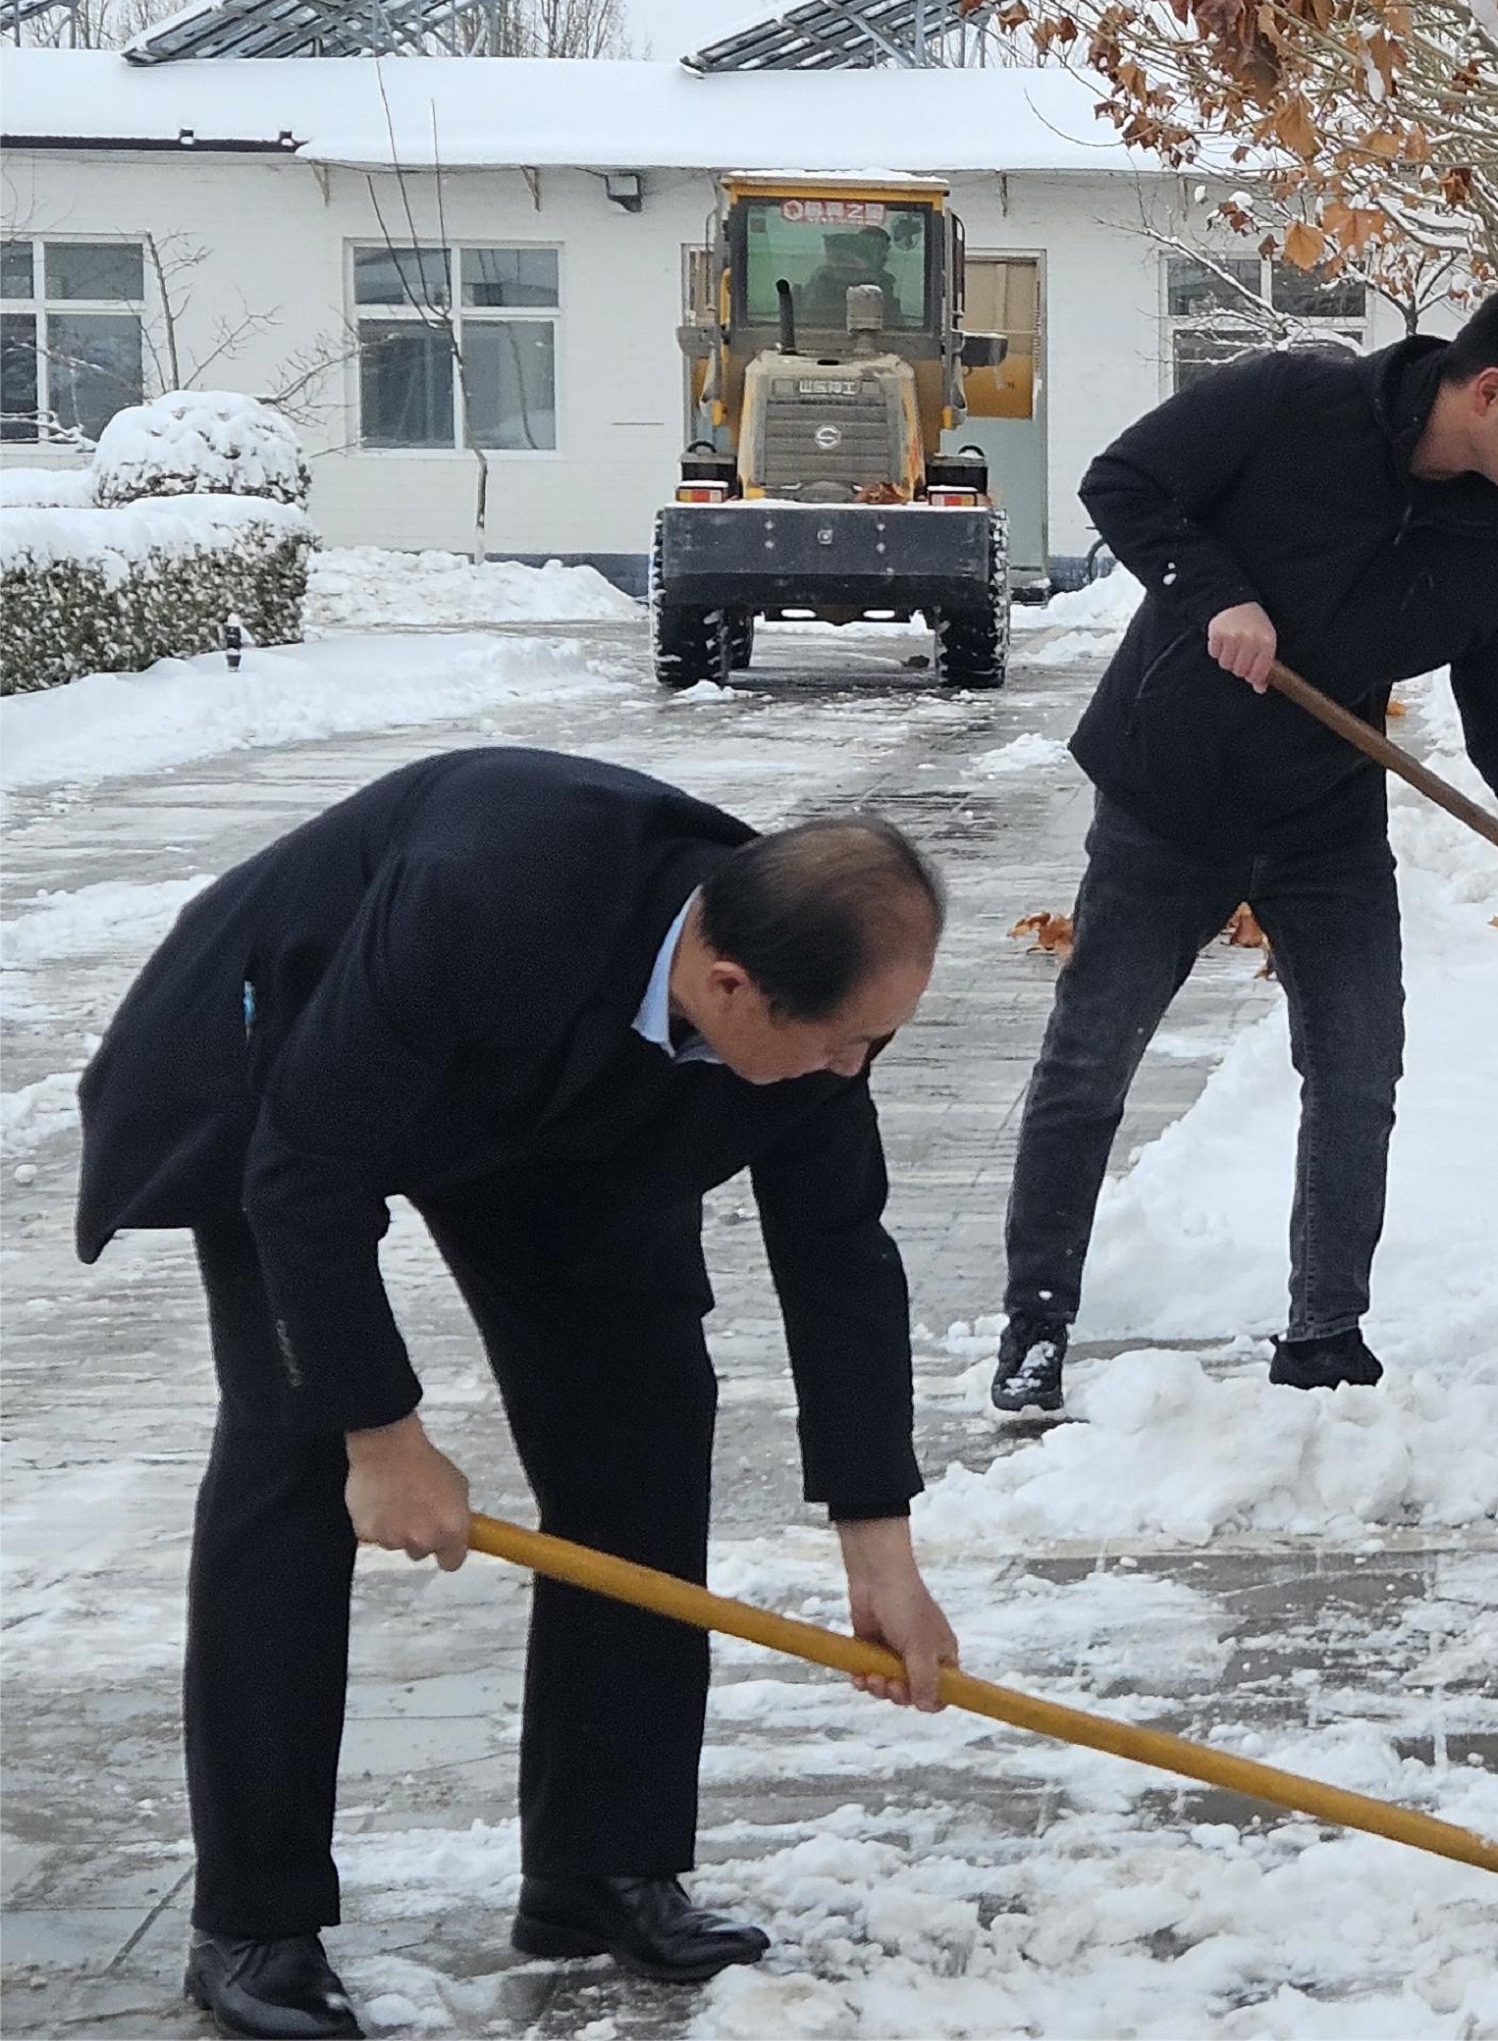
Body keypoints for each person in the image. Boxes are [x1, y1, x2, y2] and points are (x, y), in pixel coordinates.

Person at [75, 748, 963, 2040]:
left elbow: (838, 1248)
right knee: (292, 1450)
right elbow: (306, 1166)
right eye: (844, 1044)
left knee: (645, 1418)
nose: (856, 1069)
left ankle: (599, 1866)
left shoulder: (809, 986)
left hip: (559, 1113)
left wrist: (877, 1534)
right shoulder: (487, 893)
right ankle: (255, 1919)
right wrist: (380, 1432)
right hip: (299, 1076)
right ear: (731, 985)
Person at [990, 282, 1498, 1417]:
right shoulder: (1297, 402)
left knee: (1357, 1068)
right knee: (1091, 1062)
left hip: (1324, 822)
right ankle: (1036, 1326)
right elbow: (1126, 483)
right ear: (1488, 392)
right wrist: (1218, 596)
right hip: (1169, 795)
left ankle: (1324, 1330)